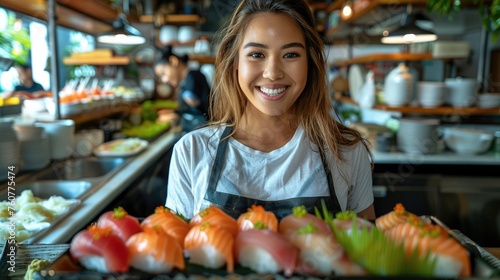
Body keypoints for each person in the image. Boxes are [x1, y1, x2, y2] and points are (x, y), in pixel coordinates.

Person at [165, 0, 376, 221]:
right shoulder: (191, 152)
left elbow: (366, 251)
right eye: (257, 54)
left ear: (310, 63)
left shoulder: (347, 151)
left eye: (291, 54)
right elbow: (175, 248)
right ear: (235, 61)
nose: (273, 73)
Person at [154, 46, 211, 133]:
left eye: (163, 73)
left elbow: (200, 107)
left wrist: (175, 114)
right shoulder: (184, 83)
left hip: (202, 132)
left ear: (173, 61)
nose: (164, 80)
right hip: (193, 130)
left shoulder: (194, 76)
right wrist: (174, 112)